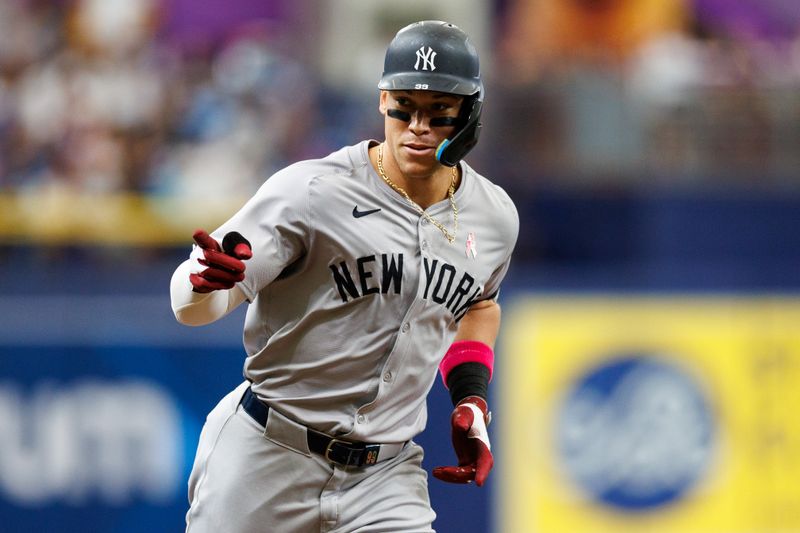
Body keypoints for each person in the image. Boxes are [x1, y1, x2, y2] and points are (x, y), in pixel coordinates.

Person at [170, 20, 519, 532]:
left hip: (385, 476)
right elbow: (189, 305)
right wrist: (206, 283)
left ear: (470, 115)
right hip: (268, 453)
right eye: (404, 105)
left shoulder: (494, 217)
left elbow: (478, 303)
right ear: (382, 102)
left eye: (438, 111)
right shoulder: (311, 191)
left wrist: (470, 394)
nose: (417, 125)